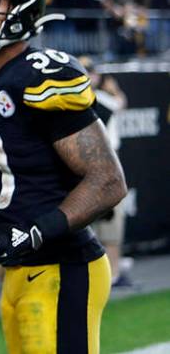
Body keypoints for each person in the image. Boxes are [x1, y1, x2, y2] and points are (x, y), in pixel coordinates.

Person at [0, 0, 128, 354]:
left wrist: (33, 234)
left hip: (62, 269)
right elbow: (5, 184)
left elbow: (108, 181)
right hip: (18, 274)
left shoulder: (40, 77)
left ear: (22, 6)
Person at [79, 56, 132, 288]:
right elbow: (120, 104)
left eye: (90, 72)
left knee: (104, 227)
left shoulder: (71, 101)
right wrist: (116, 91)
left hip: (85, 169)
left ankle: (108, 275)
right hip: (103, 166)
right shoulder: (100, 99)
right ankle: (111, 275)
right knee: (106, 227)